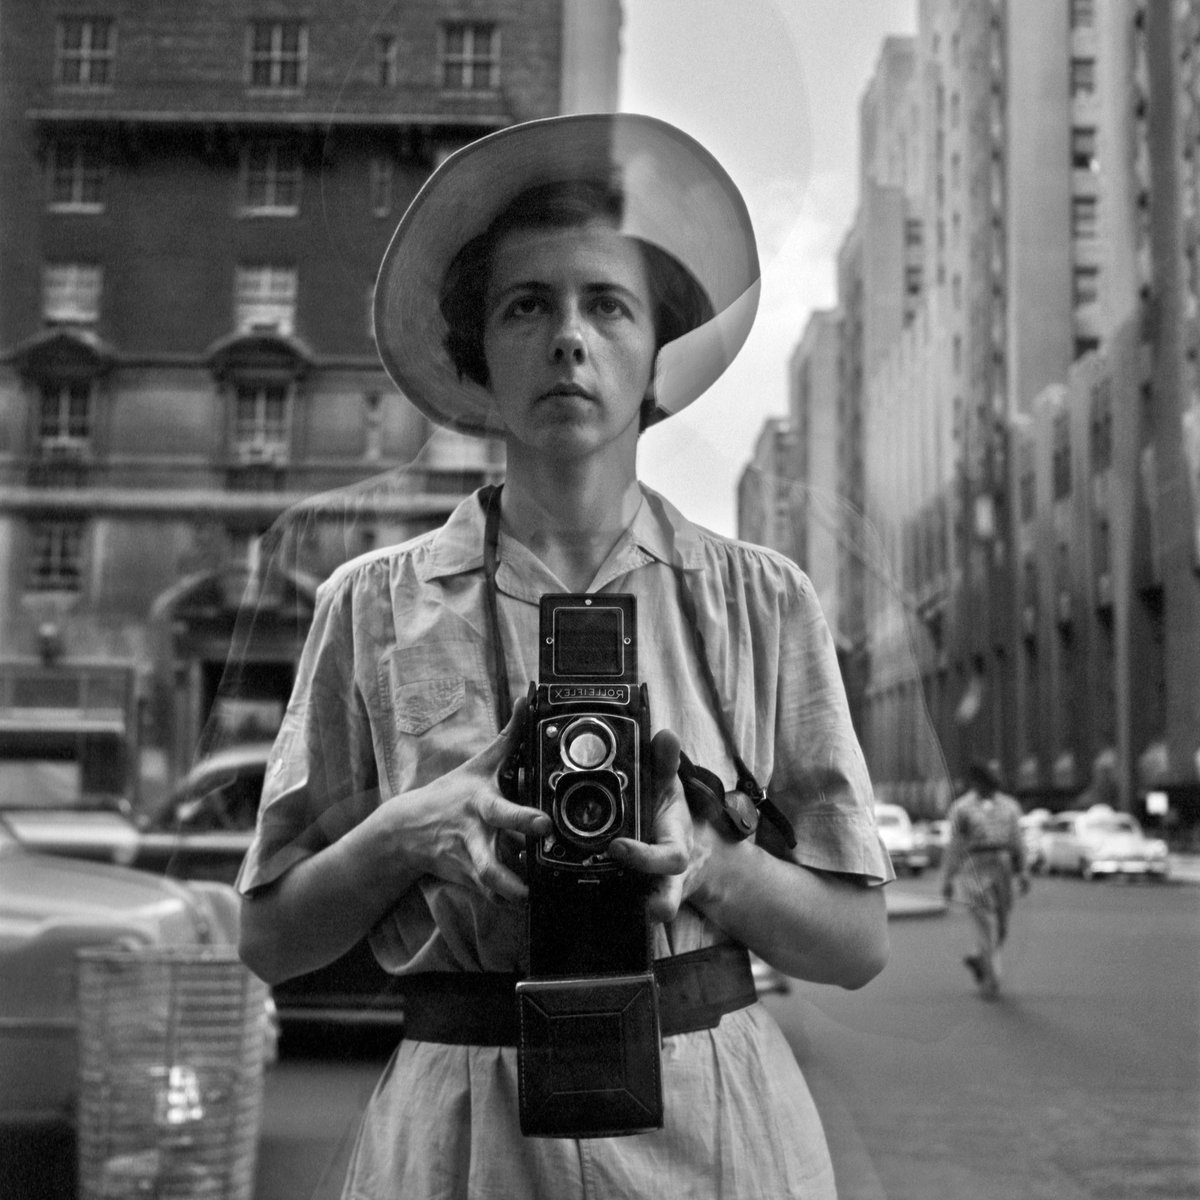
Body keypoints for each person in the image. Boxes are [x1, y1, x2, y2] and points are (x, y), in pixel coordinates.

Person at [235, 112, 893, 1199]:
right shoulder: (370, 605)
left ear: (652, 355)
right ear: (477, 351)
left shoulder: (762, 601)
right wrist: (411, 830)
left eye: (608, 305)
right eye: (526, 304)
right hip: (462, 1130)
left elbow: (858, 941)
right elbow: (269, 940)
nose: (568, 337)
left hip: (715, 1125)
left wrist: (712, 869)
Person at [940, 760, 1029, 998]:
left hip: (1001, 863)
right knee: (982, 922)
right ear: (976, 783)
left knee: (1001, 924)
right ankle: (991, 978)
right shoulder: (962, 809)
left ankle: (980, 958)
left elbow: (1018, 841)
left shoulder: (1009, 806)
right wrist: (948, 879)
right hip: (974, 866)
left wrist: (1023, 872)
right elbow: (955, 846)